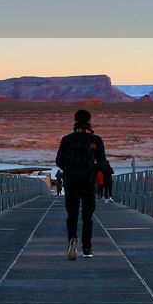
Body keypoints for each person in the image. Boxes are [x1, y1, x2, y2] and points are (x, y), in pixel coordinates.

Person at [55, 108, 108, 260]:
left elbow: (58, 160)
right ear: (89, 120)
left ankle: (72, 239)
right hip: (88, 183)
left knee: (72, 214)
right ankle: (87, 248)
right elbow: (103, 163)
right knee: (87, 216)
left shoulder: (67, 139)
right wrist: (94, 170)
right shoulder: (96, 140)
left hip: (71, 183)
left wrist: (68, 171)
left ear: (75, 120)